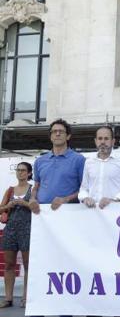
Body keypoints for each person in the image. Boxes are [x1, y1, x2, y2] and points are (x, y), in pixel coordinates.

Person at [29, 119, 85, 214]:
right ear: (50, 136)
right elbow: (36, 186)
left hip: (68, 212)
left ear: (68, 136)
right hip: (42, 213)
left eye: (61, 131)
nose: (57, 134)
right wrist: (33, 198)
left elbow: (85, 189)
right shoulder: (40, 161)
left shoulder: (79, 160)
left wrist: (65, 199)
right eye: (54, 131)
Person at [0, 162, 33, 308]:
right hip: (11, 230)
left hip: (28, 229)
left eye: (23, 170)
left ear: (29, 173)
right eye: (18, 170)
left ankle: (26, 297)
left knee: (28, 265)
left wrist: (24, 203)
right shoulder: (10, 190)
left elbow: (38, 208)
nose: (20, 173)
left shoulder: (33, 189)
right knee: (8, 264)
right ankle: (8, 298)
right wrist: (8, 206)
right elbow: (1, 209)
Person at [78, 126, 120, 208]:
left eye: (106, 138)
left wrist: (114, 200)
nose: (103, 142)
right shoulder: (89, 162)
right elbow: (83, 188)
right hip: (92, 212)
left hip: (115, 212)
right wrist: (85, 198)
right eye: (100, 138)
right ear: (95, 141)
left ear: (113, 141)